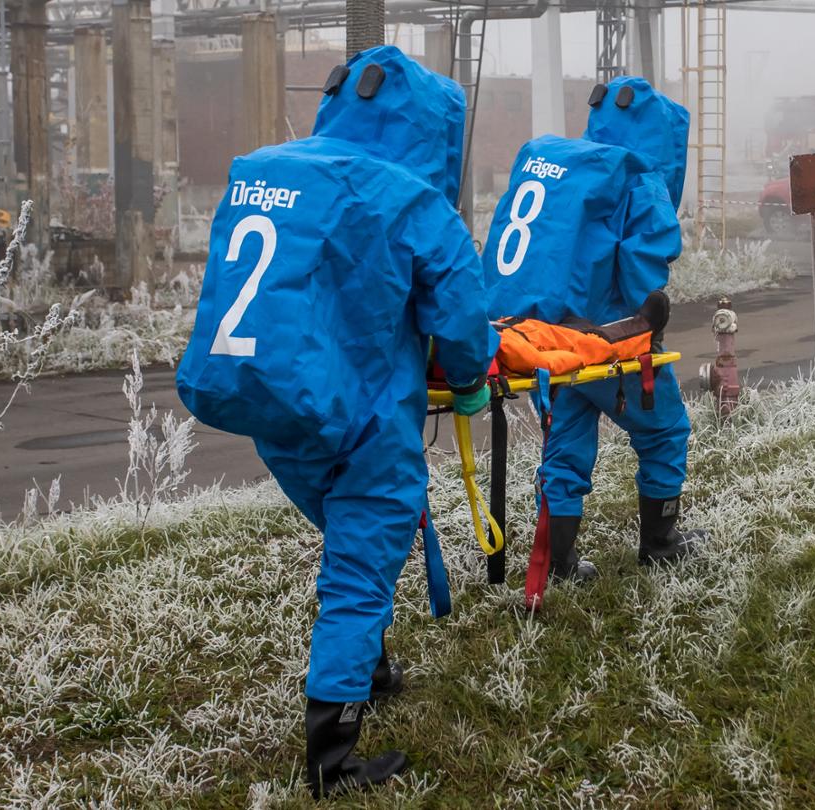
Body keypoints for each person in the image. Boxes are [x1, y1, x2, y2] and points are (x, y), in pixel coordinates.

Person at [175, 45, 495, 799]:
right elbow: (461, 321)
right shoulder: (412, 198)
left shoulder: (268, 168)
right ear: (429, 127)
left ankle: (370, 664)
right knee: (360, 561)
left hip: (278, 407)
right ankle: (334, 753)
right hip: (363, 412)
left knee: (357, 546)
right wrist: (473, 384)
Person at [482, 76, 707, 585]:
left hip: (540, 340)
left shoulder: (562, 163)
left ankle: (558, 564)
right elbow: (643, 276)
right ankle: (661, 543)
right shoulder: (637, 175)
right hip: (604, 342)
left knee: (564, 446)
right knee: (666, 431)